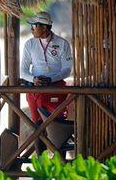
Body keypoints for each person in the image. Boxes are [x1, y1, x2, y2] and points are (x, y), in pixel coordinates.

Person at [21, 11, 72, 155]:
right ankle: (42, 165)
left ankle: (60, 166)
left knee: (58, 127)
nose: (31, 29)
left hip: (57, 90)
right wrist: (34, 80)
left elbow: (67, 70)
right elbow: (23, 71)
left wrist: (51, 79)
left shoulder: (62, 43)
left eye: (34, 26)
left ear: (44, 27)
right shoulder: (29, 44)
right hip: (35, 91)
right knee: (37, 128)